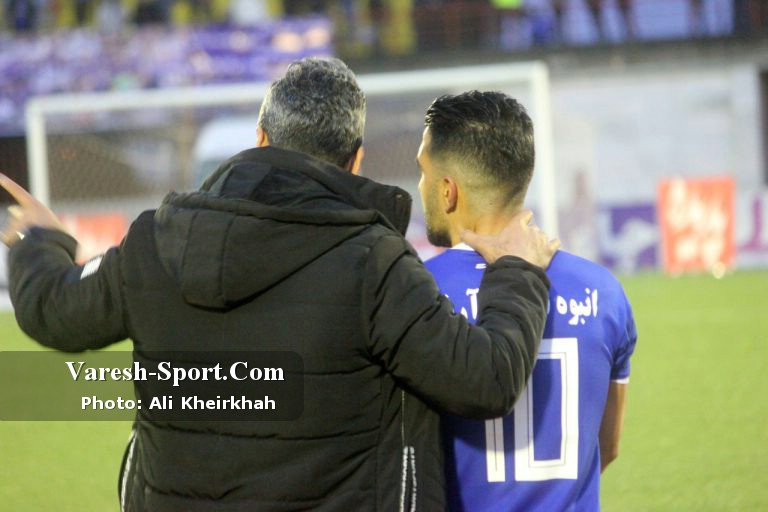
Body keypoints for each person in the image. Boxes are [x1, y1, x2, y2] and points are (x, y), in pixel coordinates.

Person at [2, 58, 558, 511]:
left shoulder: (155, 240)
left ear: (261, 137)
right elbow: (486, 379)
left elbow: (51, 307)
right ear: (355, 161)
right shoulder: (374, 262)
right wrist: (517, 272)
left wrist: (39, 241)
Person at [418, 91, 638, 511]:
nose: (420, 185)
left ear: (447, 191)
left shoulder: (418, 291)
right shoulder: (604, 292)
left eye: (423, 173)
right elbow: (605, 448)